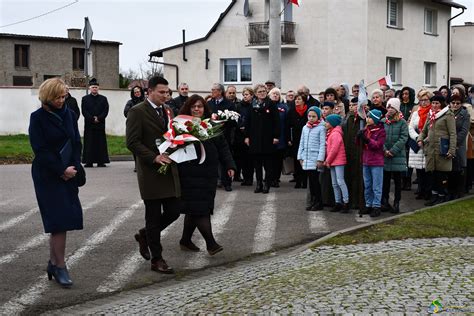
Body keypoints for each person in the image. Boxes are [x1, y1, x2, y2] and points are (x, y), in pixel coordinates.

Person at [28, 78, 83, 287]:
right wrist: (61, 170)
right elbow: (40, 150)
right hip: (48, 175)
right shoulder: (38, 118)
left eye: (64, 96)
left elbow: (76, 142)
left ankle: (53, 263)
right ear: (48, 97)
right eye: (59, 97)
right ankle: (60, 266)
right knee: (58, 220)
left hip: (69, 172)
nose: (62, 100)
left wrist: (74, 167)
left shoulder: (69, 114)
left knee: (63, 220)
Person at [126, 76, 181, 274]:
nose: (166, 96)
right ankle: (157, 259)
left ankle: (145, 235)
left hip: (169, 169)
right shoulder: (137, 111)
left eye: (167, 92)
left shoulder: (168, 110)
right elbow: (132, 142)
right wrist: (154, 158)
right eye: (161, 92)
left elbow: (171, 136)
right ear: (149, 92)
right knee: (153, 215)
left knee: (174, 210)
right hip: (151, 171)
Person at [178, 95, 235, 255]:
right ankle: (211, 244)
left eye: (200, 106)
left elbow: (223, 147)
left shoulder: (210, 125)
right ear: (188, 108)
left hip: (208, 175)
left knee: (195, 209)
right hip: (189, 174)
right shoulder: (182, 125)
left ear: (205, 109)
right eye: (194, 106)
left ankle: (185, 241)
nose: (197, 109)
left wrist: (230, 165)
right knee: (200, 209)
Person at [418, 95, 456, 206]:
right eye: (433, 103)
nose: (434, 105)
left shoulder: (448, 115)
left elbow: (453, 134)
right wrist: (420, 139)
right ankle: (434, 196)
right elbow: (424, 131)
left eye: (437, 103)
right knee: (433, 174)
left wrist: (451, 150)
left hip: (442, 149)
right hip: (431, 149)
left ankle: (442, 196)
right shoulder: (431, 116)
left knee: (441, 175)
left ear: (442, 104)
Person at [245, 83, 280, 194]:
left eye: (264, 91)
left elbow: (277, 122)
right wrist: (246, 136)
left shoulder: (271, 105)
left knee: (268, 164)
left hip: (268, 139)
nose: (262, 93)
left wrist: (276, 136)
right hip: (255, 139)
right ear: (255, 94)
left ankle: (267, 185)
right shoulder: (252, 105)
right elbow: (248, 122)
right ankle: (259, 184)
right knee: (257, 164)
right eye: (259, 92)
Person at [381, 98, 408, 214]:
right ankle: (385, 201)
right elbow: (380, 136)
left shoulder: (402, 122)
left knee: (397, 181)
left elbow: (403, 137)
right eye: (388, 107)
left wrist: (393, 151)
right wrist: (385, 150)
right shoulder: (383, 121)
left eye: (392, 107)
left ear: (397, 109)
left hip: (397, 156)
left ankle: (396, 202)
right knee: (385, 180)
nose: (390, 109)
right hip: (385, 155)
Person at [357, 109, 386, 217]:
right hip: (366, 160)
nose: (367, 119)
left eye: (369, 117)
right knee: (367, 185)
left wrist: (367, 140)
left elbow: (377, 145)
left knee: (376, 185)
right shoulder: (365, 130)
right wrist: (358, 137)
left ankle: (376, 205)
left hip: (376, 162)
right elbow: (359, 145)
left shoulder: (381, 131)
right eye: (367, 117)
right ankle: (368, 204)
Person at [208, 83, 236, 192]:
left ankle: (227, 183)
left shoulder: (229, 104)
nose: (212, 92)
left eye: (213, 90)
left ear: (220, 91)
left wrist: (225, 122)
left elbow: (234, 120)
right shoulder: (209, 104)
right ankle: (215, 181)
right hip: (211, 136)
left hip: (225, 136)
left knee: (225, 160)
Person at [297, 106, 325, 211]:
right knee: (311, 183)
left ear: (318, 117)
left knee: (315, 182)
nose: (311, 118)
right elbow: (302, 143)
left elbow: (323, 145)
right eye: (309, 116)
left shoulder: (321, 128)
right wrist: (300, 156)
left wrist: (320, 159)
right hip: (306, 158)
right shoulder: (305, 127)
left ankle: (318, 202)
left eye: (314, 116)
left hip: (315, 158)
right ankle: (313, 201)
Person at [408, 89, 433, 200]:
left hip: (428, 142)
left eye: (426, 100)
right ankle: (420, 190)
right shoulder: (415, 113)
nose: (423, 102)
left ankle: (428, 191)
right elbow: (410, 127)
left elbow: (432, 129)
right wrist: (417, 138)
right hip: (417, 142)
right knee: (418, 169)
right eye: (421, 100)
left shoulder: (432, 112)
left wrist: (424, 139)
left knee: (427, 169)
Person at [81, 78, 110, 167]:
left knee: (100, 143)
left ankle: (101, 161)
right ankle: (89, 162)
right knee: (89, 143)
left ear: (98, 88)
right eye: (93, 87)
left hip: (100, 125)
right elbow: (84, 111)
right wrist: (92, 119)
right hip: (89, 125)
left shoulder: (103, 99)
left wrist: (99, 118)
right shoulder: (85, 99)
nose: (94, 89)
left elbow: (106, 110)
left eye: (96, 87)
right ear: (90, 88)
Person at [343, 97, 365, 210]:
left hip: (359, 152)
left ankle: (358, 201)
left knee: (358, 177)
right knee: (349, 176)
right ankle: (350, 200)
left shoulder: (363, 118)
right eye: (350, 105)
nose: (351, 107)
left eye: (354, 105)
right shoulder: (348, 118)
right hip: (349, 151)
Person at [324, 114, 349, 213]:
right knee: (335, 183)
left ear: (332, 123)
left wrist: (327, 160)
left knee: (340, 181)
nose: (325, 124)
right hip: (334, 161)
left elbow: (334, 149)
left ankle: (345, 202)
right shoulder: (332, 133)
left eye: (327, 122)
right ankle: (338, 202)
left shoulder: (335, 134)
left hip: (338, 161)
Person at [447, 94, 470, 200]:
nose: (455, 105)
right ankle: (450, 191)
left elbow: (464, 130)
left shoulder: (465, 114)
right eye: (453, 103)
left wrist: (454, 143)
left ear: (461, 104)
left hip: (458, 144)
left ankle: (459, 191)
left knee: (460, 167)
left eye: (458, 103)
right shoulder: (447, 112)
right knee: (449, 167)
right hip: (448, 144)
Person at [288, 93, 309, 188]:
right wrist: (289, 138)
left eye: (299, 99)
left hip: (306, 138)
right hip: (295, 139)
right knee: (297, 160)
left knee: (305, 159)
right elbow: (288, 126)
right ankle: (298, 180)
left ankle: (304, 181)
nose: (297, 101)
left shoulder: (308, 111)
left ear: (303, 101)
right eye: (296, 99)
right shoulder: (291, 111)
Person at [234, 87, 254, 186]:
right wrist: (240, 126)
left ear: (251, 95)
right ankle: (245, 177)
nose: (245, 96)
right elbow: (236, 118)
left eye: (247, 94)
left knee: (250, 158)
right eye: (244, 95)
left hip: (251, 134)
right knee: (242, 157)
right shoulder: (238, 106)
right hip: (240, 135)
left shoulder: (254, 105)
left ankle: (250, 178)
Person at [269, 87, 289, 187]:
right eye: (274, 94)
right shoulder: (266, 106)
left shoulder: (284, 107)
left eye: (277, 94)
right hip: (268, 138)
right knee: (269, 160)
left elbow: (287, 123)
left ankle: (276, 179)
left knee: (278, 160)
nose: (276, 95)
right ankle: (269, 178)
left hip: (281, 138)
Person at [399, 86, 416, 191]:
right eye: (403, 94)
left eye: (407, 94)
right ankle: (402, 180)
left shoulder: (413, 106)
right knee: (402, 158)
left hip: (410, 135)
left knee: (408, 158)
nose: (405, 96)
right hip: (401, 134)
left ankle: (408, 180)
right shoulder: (399, 106)